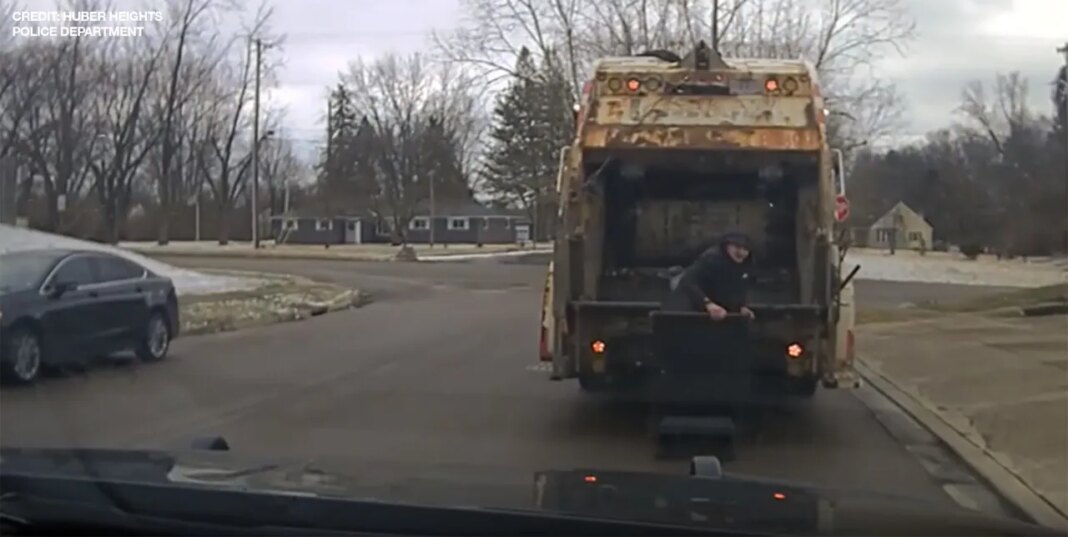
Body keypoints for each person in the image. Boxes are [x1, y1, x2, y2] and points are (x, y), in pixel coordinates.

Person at [663, 232, 756, 321]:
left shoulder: (745, 264)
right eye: (737, 247)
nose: (742, 252)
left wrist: (741, 307)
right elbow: (689, 281)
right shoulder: (711, 259)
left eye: (745, 249)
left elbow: (738, 288)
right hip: (689, 306)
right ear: (727, 246)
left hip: (718, 310)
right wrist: (707, 304)